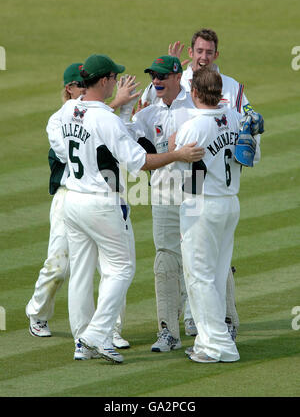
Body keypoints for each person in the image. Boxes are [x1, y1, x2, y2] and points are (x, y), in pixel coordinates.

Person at [53, 53, 204, 363]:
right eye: (113, 78)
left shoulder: (68, 109)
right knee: (121, 269)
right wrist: (177, 154)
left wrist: (120, 111)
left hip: (72, 199)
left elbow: (66, 144)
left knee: (81, 272)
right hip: (101, 201)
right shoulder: (103, 117)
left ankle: (83, 340)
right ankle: (97, 335)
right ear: (106, 80)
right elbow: (138, 162)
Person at [141, 28, 251, 339]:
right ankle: (170, 329)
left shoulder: (228, 88)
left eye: (209, 52)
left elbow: (246, 130)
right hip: (168, 185)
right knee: (170, 256)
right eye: (198, 51)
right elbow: (141, 131)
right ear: (190, 53)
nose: (203, 57)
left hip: (202, 188)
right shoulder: (163, 83)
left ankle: (215, 324)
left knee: (208, 261)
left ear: (216, 54)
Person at [25, 63, 139, 352]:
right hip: (74, 195)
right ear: (70, 89)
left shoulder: (84, 114)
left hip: (92, 194)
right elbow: (87, 138)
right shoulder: (59, 118)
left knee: (104, 267)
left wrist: (114, 107)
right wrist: (115, 105)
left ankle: (108, 331)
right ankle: (42, 315)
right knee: (63, 265)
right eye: (80, 84)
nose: (83, 89)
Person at [175, 67, 261, 363]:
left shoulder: (193, 126)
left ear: (195, 92)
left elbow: (180, 171)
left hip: (201, 205)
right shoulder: (237, 119)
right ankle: (207, 339)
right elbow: (253, 156)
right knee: (216, 272)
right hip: (229, 202)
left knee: (199, 276)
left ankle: (218, 345)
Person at [123, 55, 202, 352]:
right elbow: (126, 143)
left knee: (199, 257)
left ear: (175, 77)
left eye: (160, 76)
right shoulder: (146, 115)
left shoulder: (195, 108)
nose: (155, 81)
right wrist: (127, 109)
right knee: (166, 260)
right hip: (162, 194)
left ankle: (203, 321)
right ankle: (168, 331)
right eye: (152, 76)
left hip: (195, 192)